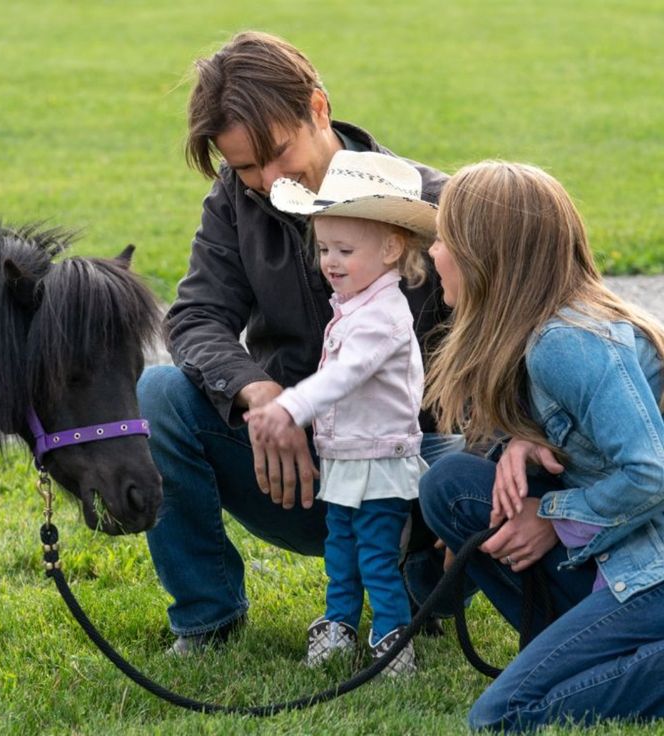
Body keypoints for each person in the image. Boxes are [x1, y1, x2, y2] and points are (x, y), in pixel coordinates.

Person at [137, 30, 463, 656]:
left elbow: (499, 347)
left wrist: (474, 478)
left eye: (278, 155)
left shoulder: (433, 203)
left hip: (412, 465)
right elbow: (195, 317)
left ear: (318, 108)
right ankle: (207, 619)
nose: (265, 179)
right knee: (158, 394)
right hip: (294, 467)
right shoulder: (235, 201)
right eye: (244, 167)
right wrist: (259, 397)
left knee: (476, 466)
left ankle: (426, 575)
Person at [419, 160, 664, 730]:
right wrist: (521, 440)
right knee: (451, 485)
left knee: (504, 715)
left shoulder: (566, 342)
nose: (433, 253)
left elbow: (651, 472)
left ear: (486, 256)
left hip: (650, 566)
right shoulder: (538, 332)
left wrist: (554, 516)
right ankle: (586, 652)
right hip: (623, 552)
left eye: (444, 239)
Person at [246, 150, 437, 675]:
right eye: (325, 247)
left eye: (345, 249)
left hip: (379, 460)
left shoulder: (384, 316)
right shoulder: (354, 305)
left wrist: (289, 406)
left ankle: (393, 640)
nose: (330, 261)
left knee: (376, 554)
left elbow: (345, 374)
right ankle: (339, 625)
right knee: (342, 548)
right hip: (348, 457)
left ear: (393, 248)